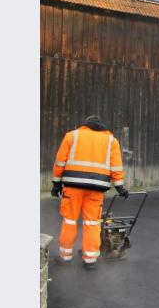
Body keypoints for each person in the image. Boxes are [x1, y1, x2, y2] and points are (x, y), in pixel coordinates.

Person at [51, 115, 127, 270]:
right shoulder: (111, 141)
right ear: (102, 126)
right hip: (96, 189)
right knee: (92, 223)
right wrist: (120, 187)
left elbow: (60, 162)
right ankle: (90, 260)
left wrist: (56, 184)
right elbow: (116, 166)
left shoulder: (72, 136)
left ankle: (65, 257)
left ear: (85, 125)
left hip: (73, 187)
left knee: (70, 221)